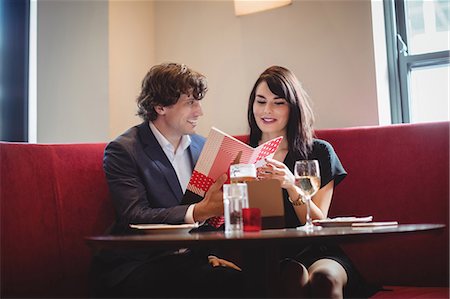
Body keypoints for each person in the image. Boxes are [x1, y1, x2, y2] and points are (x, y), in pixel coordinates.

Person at [90, 62, 243, 298]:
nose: (199, 112)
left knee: (239, 281)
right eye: (190, 102)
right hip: (139, 262)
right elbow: (135, 214)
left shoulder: (204, 147)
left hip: (190, 260)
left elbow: (211, 218)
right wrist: (198, 211)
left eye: (198, 102)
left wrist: (210, 253)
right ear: (160, 106)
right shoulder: (125, 150)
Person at [247, 66, 373, 298]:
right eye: (260, 101)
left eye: (278, 102)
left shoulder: (318, 152)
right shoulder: (242, 155)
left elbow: (318, 222)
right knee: (290, 275)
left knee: (324, 278)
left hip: (317, 250)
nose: (267, 110)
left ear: (292, 107)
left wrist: (291, 187)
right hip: (267, 254)